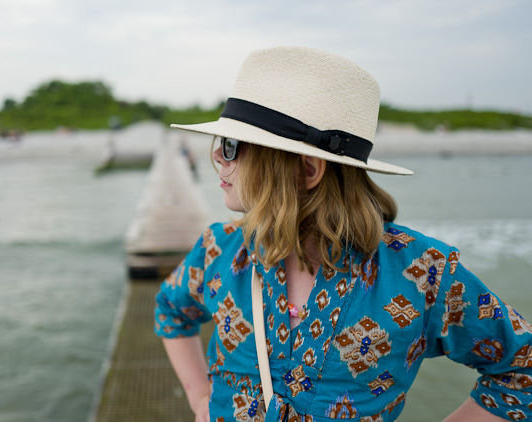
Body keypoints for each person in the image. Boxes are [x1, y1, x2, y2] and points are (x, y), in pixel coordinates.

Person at [154, 47, 532, 422]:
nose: (218, 156)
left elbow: (522, 369)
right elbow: (172, 310)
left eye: (232, 146)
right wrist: (199, 394)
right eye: (221, 143)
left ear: (307, 170)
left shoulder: (422, 272)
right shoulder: (218, 250)